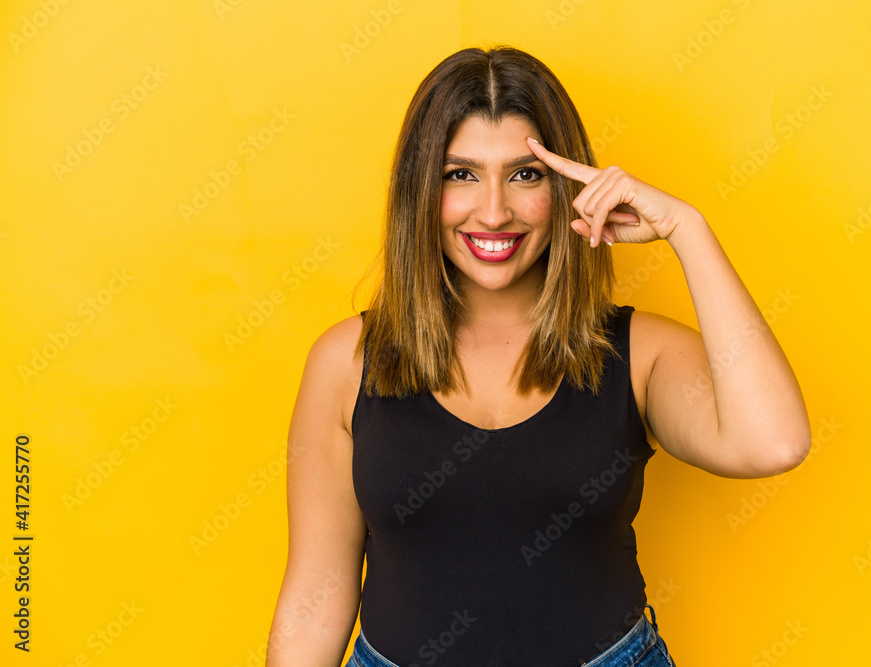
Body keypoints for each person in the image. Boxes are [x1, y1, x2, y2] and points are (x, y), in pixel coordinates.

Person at [265, 45, 811, 667]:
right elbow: (315, 593)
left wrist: (688, 230)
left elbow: (773, 443)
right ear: (419, 190)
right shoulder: (347, 361)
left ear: (566, 186)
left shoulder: (638, 354)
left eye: (525, 175)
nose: (493, 211)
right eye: (459, 174)